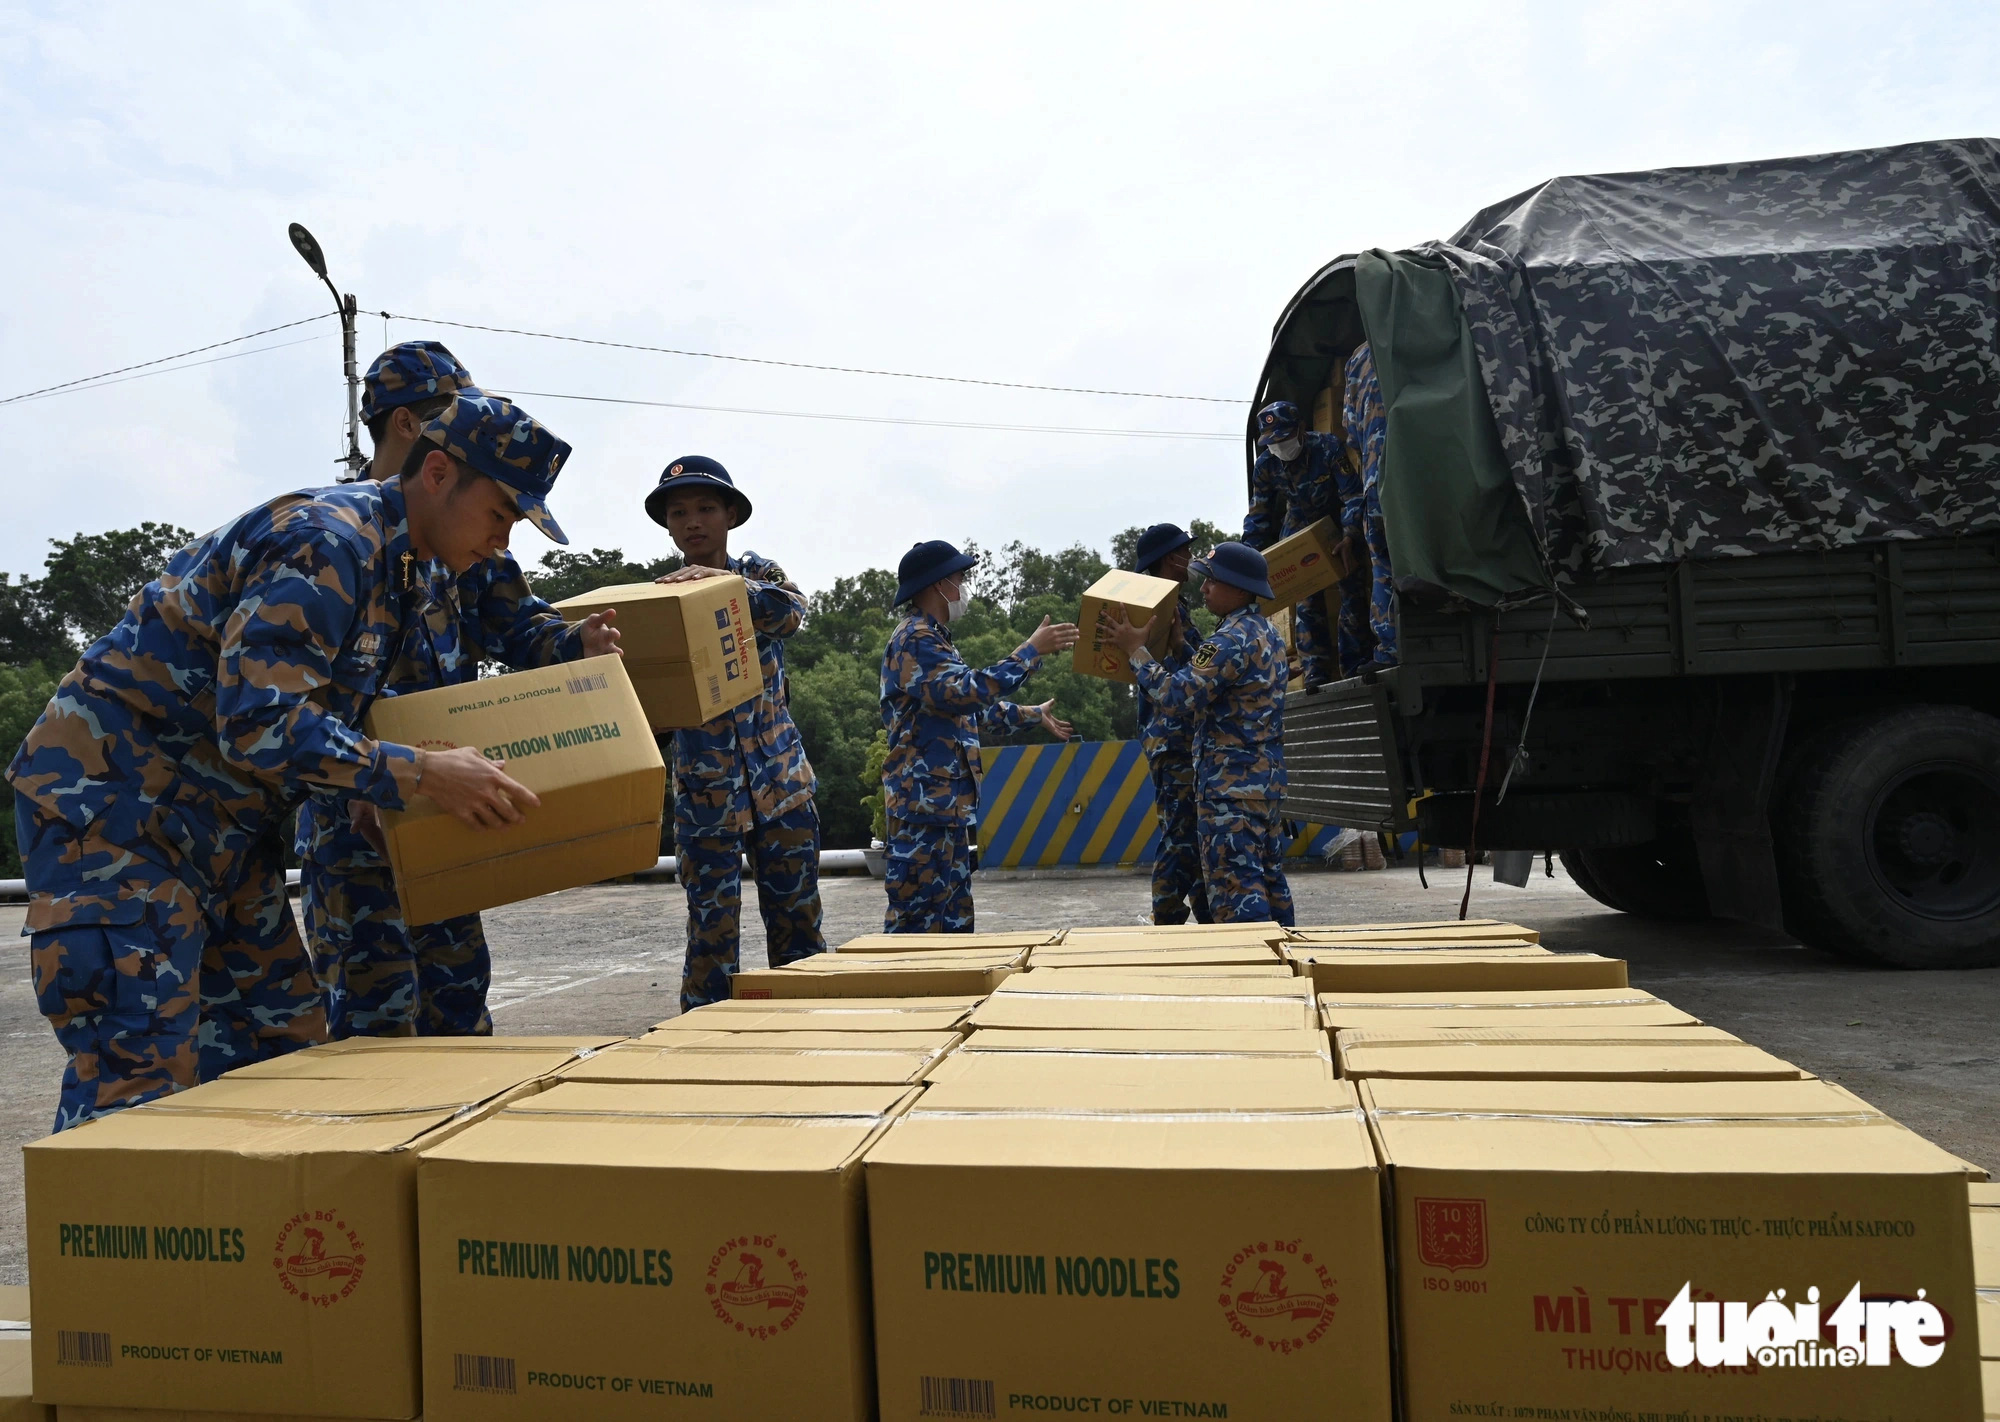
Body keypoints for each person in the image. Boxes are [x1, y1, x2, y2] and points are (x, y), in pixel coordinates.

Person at [9, 393, 573, 1128]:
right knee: (136, 1075)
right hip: (116, 821)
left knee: (284, 1053)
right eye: (501, 515)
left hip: (222, 835)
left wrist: (368, 793)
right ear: (437, 473)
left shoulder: (408, 569)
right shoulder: (327, 540)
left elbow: (331, 708)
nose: (503, 542)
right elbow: (260, 721)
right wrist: (420, 775)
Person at [296, 343, 619, 1039]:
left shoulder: (466, 529)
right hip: (354, 824)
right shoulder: (334, 540)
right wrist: (359, 784)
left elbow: (515, 624)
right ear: (411, 427)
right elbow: (289, 705)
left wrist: (575, 645)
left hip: (448, 805)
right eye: (454, 412)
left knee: (458, 1007)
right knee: (370, 1025)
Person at [645, 456, 825, 1009]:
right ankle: (704, 1047)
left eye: (705, 508)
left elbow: (793, 613)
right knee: (711, 937)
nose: (692, 521)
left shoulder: (757, 574)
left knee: (799, 931)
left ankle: (810, 1038)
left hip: (780, 785)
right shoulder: (658, 596)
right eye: (680, 512)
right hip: (706, 798)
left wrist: (725, 585)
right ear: (669, 526)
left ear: (730, 516)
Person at [879, 541, 1078, 932]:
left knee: (953, 925)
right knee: (915, 928)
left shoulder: (935, 639)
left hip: (943, 808)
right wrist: (1029, 652)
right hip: (923, 811)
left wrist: (1032, 715)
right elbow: (965, 690)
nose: (963, 587)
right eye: (959, 579)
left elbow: (970, 707)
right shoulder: (916, 639)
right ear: (938, 586)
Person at [1099, 541, 1293, 926]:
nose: (1202, 589)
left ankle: (1253, 972)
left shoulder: (1228, 639)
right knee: (1270, 883)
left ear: (1238, 589)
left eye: (1212, 582)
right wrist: (1182, 648)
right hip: (1262, 785)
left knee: (1237, 893)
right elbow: (1225, 686)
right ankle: (1290, 963)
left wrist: (1137, 650)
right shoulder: (1266, 633)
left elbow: (1176, 696)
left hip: (1228, 791)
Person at [1130, 522, 1209, 925]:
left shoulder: (1175, 607)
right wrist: (1187, 650)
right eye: (1184, 552)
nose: (1190, 560)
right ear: (1167, 559)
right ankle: (1167, 918)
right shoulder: (1157, 612)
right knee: (1180, 836)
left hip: (1181, 739)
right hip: (1172, 739)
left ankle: (1208, 911)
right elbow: (1177, 678)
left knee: (1193, 834)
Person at [1243, 399, 1355, 683]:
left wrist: (1352, 534)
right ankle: (1315, 671)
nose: (1279, 446)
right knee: (1306, 594)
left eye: (1284, 438)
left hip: (1336, 518)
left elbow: (1352, 495)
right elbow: (1259, 516)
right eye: (1272, 441)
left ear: (1301, 429)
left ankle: (1355, 663)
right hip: (1299, 521)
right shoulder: (1266, 464)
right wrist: (1246, 563)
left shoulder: (1327, 447)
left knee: (1352, 588)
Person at [1342, 343, 1397, 668]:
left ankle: (1390, 651)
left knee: (1385, 567)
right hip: (1429, 476)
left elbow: (1350, 430)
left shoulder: (1359, 356)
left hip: (1378, 478)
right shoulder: (1430, 328)